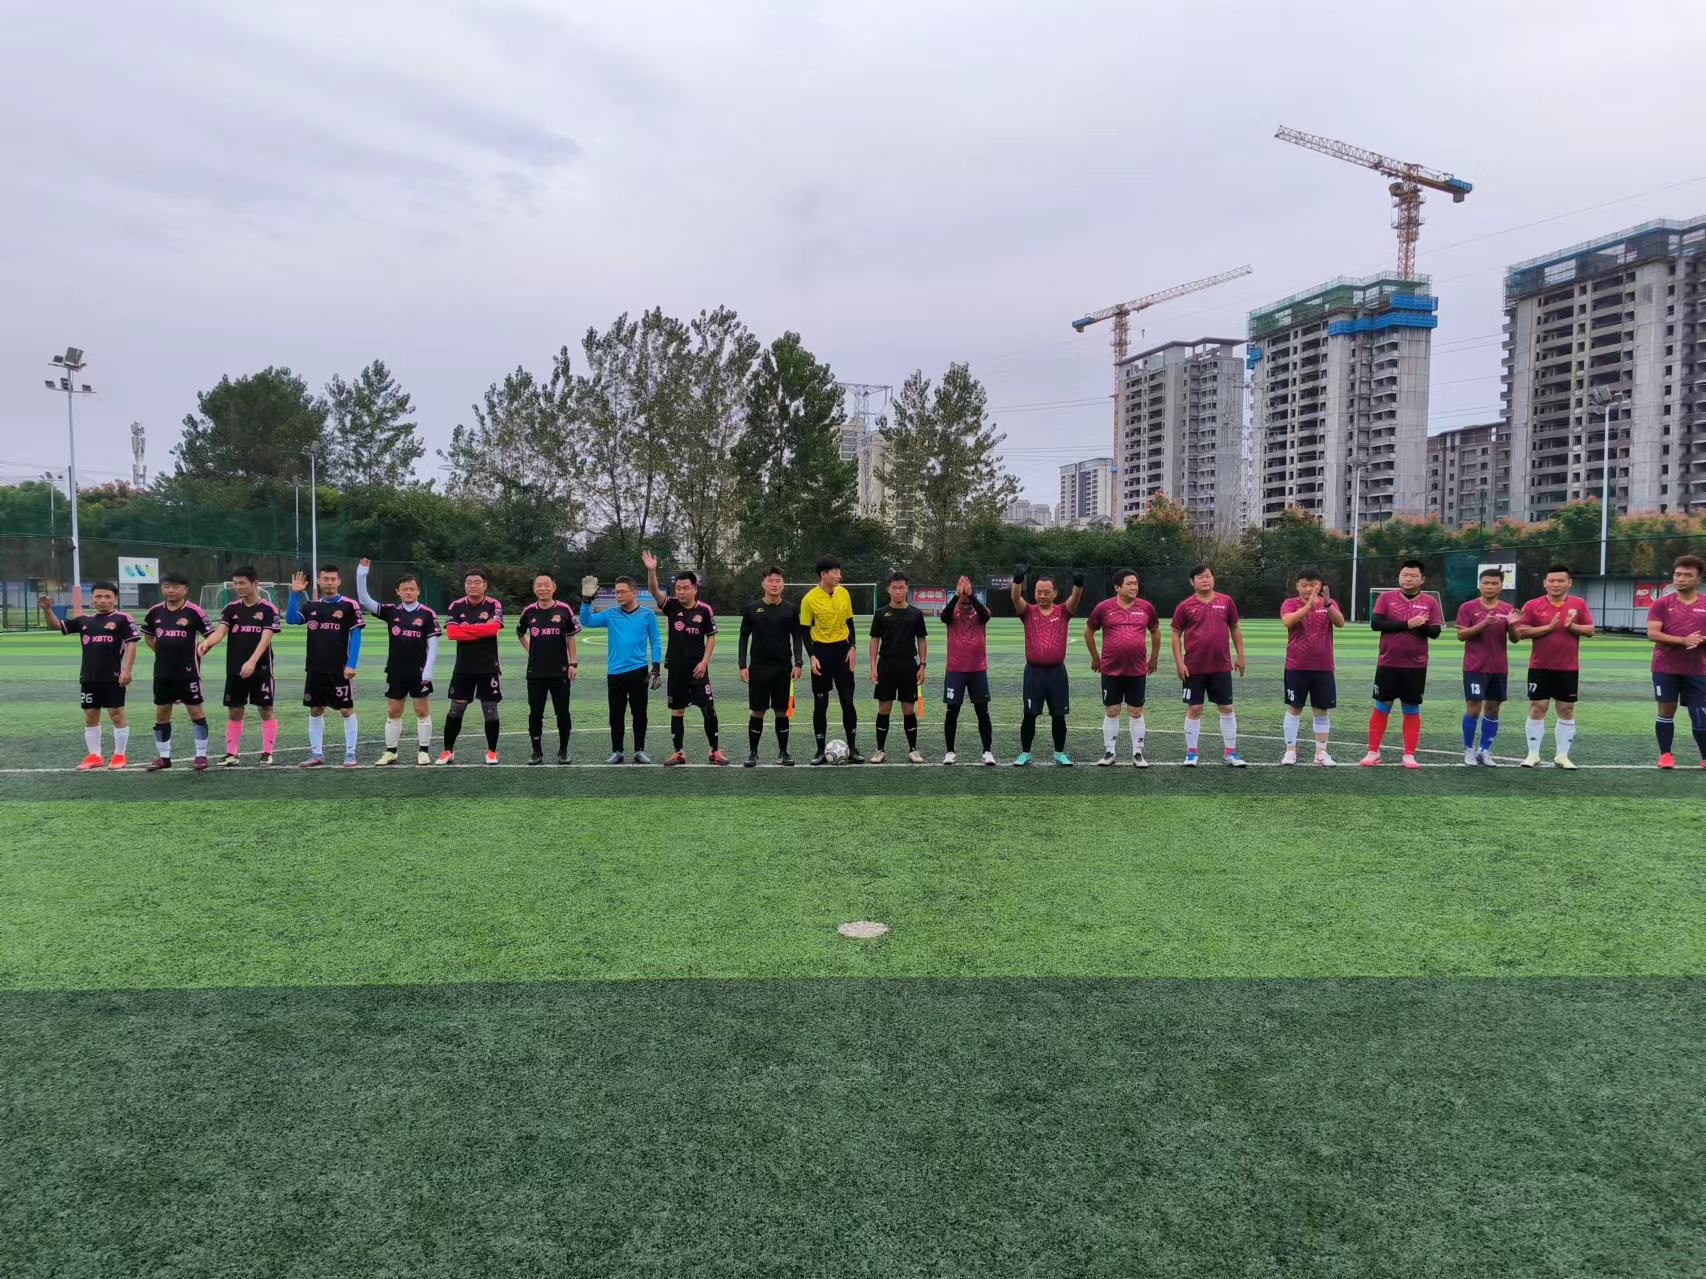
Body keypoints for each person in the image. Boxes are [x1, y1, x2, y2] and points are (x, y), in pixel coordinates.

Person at [37, 581, 138, 769]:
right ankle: (94, 756)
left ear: (115, 599)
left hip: (113, 677)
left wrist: (127, 671)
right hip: (89, 677)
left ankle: (119, 755)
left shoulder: (122, 619)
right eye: (98, 596)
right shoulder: (84, 621)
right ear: (91, 599)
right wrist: (47, 609)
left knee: (116, 714)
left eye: (107, 596)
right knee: (91, 715)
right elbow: (56, 625)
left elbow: (132, 643)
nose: (102, 600)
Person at [644, 552, 727, 766]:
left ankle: (714, 751)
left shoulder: (705, 610)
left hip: (698, 670)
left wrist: (704, 662)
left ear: (695, 589)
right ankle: (678, 753)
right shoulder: (671, 606)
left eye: (685, 588)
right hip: (676, 669)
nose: (680, 592)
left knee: (708, 709)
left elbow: (711, 637)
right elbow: (654, 591)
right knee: (677, 710)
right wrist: (652, 571)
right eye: (678, 588)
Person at [355, 558, 439, 766]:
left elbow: (433, 644)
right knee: (393, 711)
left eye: (412, 589)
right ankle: (391, 752)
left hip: (419, 671)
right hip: (395, 670)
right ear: (398, 591)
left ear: (418, 591)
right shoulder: (391, 611)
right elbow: (365, 600)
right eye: (405, 589)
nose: (409, 592)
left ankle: (423, 751)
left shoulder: (427, 614)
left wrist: (428, 670)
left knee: (421, 711)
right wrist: (361, 574)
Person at [1360, 559, 1442, 769]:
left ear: (1422, 579)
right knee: (1382, 706)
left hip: (1416, 665)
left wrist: (1420, 625)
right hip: (1388, 662)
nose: (1408, 579)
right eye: (1405, 575)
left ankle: (1409, 754)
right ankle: (1373, 751)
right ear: (1399, 576)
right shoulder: (1386, 598)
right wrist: (1407, 624)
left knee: (1411, 708)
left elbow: (1435, 632)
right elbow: (1376, 624)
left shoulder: (1430, 602)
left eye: (1413, 576)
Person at [1513, 564, 1594, 769]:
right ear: (1545, 583)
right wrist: (1548, 628)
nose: (1555, 584)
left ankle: (1562, 756)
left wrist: (1572, 626)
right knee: (1537, 707)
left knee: (1566, 709)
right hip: (1539, 666)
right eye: (1551, 580)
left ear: (1569, 583)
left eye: (1560, 580)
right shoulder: (1533, 605)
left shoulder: (1579, 604)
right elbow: (1520, 632)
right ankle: (1533, 754)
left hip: (1568, 667)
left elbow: (1590, 630)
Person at [199, 566, 281, 766]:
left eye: (243, 583)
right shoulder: (231, 609)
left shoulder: (268, 609)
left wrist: (252, 661)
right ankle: (232, 754)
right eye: (235, 583)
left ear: (255, 583)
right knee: (235, 709)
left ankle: (267, 753)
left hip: (261, 668)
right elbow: (220, 632)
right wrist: (207, 643)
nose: (238, 587)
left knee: (265, 708)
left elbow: (266, 638)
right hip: (235, 668)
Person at [285, 564, 364, 768]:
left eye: (332, 579)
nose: (329, 582)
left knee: (346, 709)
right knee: (315, 709)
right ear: (319, 581)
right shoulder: (311, 606)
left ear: (339, 581)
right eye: (325, 579)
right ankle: (316, 754)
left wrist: (351, 664)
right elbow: (291, 619)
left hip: (339, 668)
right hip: (315, 668)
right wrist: (294, 594)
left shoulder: (349, 605)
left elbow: (356, 635)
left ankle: (350, 753)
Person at [579, 573, 662, 764]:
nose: (618, 595)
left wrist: (656, 665)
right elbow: (586, 621)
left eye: (622, 592)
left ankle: (639, 750)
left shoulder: (647, 614)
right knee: (616, 714)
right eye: (616, 592)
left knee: (639, 713)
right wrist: (586, 600)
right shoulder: (611, 614)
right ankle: (617, 751)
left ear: (634, 592)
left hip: (639, 671)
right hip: (615, 672)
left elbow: (655, 640)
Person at [1170, 564, 1247, 767]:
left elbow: (1235, 628)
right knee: (1194, 708)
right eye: (1200, 577)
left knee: (1226, 708)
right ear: (1192, 582)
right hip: (1193, 667)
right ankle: (1191, 753)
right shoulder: (1185, 606)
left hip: (1221, 666)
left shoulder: (1226, 601)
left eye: (1208, 576)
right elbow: (1176, 634)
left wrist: (1240, 656)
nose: (1205, 580)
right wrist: (1179, 663)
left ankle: (1231, 752)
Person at [1084, 568, 1158, 768]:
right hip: (1110, 669)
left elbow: (1155, 630)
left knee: (1136, 711)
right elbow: (1089, 631)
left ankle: (1138, 753)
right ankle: (1110, 752)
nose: (1134, 587)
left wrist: (1154, 658)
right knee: (1112, 710)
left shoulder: (1146, 607)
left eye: (1135, 583)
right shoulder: (1103, 608)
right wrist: (1095, 658)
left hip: (1137, 669)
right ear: (1118, 587)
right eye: (1129, 584)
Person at [141, 572, 214, 772]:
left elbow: (210, 636)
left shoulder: (194, 611)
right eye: (167, 586)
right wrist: (163, 653)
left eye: (175, 587)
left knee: (195, 711)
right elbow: (148, 637)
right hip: (162, 672)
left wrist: (200, 650)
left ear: (185, 589)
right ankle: (164, 757)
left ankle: (201, 755)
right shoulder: (154, 612)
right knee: (162, 713)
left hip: (188, 671)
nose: (170, 590)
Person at [1013, 566, 1083, 766]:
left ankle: (1059, 753)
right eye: (1038, 592)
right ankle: (1025, 753)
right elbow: (1015, 598)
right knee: (1029, 715)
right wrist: (1017, 580)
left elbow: (1075, 598)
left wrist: (1079, 583)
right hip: (1033, 673)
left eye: (1046, 592)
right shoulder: (1028, 612)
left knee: (1059, 715)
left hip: (1057, 673)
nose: (1042, 595)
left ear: (1055, 593)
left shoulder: (1063, 612)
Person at [738, 567, 805, 767]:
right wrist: (742, 665)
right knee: (757, 711)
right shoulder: (752, 609)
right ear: (763, 584)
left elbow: (797, 637)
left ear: (783, 584)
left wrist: (798, 663)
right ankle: (753, 753)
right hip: (758, 669)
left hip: (783, 668)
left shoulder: (791, 609)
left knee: (782, 711)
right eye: (771, 580)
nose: (774, 584)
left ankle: (783, 752)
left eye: (778, 581)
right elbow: (743, 638)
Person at [799, 555, 862, 764]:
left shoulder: (844, 593)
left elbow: (850, 622)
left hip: (843, 651)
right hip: (821, 653)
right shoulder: (809, 599)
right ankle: (820, 751)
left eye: (839, 571)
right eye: (835, 571)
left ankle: (852, 748)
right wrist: (812, 656)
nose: (839, 575)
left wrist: (853, 646)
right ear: (823, 574)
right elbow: (804, 630)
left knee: (847, 701)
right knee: (821, 703)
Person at [1278, 567, 1343, 766]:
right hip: (1296, 665)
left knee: (1321, 710)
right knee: (1294, 708)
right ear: (1297, 586)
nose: (1308, 589)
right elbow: (1288, 621)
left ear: (1321, 585)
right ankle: (1290, 751)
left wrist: (1327, 603)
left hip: (1323, 666)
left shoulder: (1329, 603)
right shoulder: (1290, 603)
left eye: (1313, 585)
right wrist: (1308, 606)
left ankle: (1321, 753)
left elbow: (1340, 622)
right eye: (1304, 585)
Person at [439, 570, 504, 766]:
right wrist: (481, 629)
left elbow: (494, 629)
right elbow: (452, 634)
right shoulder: (456, 605)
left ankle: (491, 751)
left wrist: (465, 629)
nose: (472, 585)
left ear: (485, 585)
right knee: (456, 709)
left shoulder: (494, 604)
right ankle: (448, 751)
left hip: (488, 666)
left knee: (490, 709)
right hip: (463, 667)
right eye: (469, 582)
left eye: (477, 582)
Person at [1647, 553, 1706, 769]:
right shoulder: (1661, 604)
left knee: (1700, 713)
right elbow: (1653, 633)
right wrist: (1684, 640)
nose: (1681, 579)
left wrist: (1701, 640)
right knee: (1666, 710)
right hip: (1665, 667)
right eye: (1677, 574)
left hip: (1698, 668)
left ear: (1698, 578)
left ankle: (1705, 757)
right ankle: (1665, 755)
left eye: (1687, 575)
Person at [1455, 568, 1517, 767]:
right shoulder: (1467, 607)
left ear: (1501, 586)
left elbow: (1515, 639)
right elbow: (1461, 635)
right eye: (1486, 583)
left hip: (1498, 667)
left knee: (1493, 709)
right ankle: (1469, 750)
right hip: (1474, 666)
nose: (1489, 587)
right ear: (1479, 585)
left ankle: (1485, 750)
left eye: (1494, 583)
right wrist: (1484, 623)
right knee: (1473, 708)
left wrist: (1512, 625)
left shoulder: (1508, 608)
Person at [517, 573, 578, 765]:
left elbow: (571, 636)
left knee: (563, 712)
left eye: (546, 585)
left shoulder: (564, 609)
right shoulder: (528, 611)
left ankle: (563, 751)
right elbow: (520, 633)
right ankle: (537, 752)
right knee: (535, 713)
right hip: (535, 672)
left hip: (560, 670)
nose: (543, 588)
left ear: (554, 587)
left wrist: (573, 663)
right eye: (539, 585)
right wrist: (531, 651)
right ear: (534, 588)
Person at [867, 571, 928, 764]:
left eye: (902, 587)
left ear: (907, 589)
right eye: (895, 588)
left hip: (908, 665)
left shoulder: (916, 613)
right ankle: (880, 750)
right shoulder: (880, 613)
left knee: (908, 708)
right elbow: (874, 640)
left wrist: (922, 665)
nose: (898, 591)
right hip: (886, 665)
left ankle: (913, 750)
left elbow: (922, 640)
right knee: (884, 707)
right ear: (889, 590)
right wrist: (873, 666)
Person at [939, 575, 995, 765]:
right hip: (955, 670)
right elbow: (943, 617)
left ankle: (987, 751)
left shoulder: (980, 612)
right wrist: (957, 596)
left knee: (982, 711)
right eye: (962, 600)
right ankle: (950, 752)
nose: (965, 603)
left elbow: (986, 616)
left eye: (968, 599)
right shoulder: (951, 612)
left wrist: (970, 596)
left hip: (978, 669)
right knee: (952, 711)